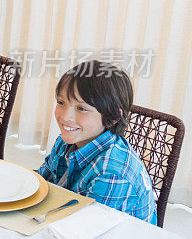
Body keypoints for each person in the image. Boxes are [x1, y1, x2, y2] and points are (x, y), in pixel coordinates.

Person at [37, 60, 157, 223]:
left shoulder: (111, 172)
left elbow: (87, 230)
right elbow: (40, 182)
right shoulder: (67, 142)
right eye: (61, 102)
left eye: (81, 109)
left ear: (113, 117)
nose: (65, 117)